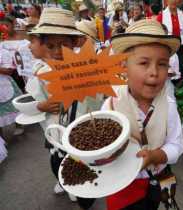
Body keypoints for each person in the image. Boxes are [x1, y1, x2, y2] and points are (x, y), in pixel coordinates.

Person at [26, 8, 103, 209]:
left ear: (74, 43)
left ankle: (84, 198)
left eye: (64, 44)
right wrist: (40, 105)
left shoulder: (85, 70)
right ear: (43, 46)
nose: (58, 51)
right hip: (54, 134)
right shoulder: (41, 73)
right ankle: (64, 181)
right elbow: (33, 103)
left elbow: (97, 100)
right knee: (57, 163)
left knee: (84, 172)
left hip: (81, 134)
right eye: (51, 45)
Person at [105, 19, 183, 210]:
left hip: (156, 180)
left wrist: (154, 156)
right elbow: (101, 147)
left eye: (162, 64)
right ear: (124, 67)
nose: (154, 73)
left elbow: (177, 145)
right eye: (143, 63)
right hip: (122, 186)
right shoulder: (111, 104)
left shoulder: (168, 105)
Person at [157, 0, 183, 81]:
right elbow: (158, 31)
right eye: (171, 0)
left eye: (175, 0)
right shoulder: (162, 15)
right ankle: (173, 86)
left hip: (180, 45)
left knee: (182, 67)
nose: (173, 2)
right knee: (170, 68)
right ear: (166, 2)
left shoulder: (181, 13)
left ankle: (181, 87)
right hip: (169, 46)